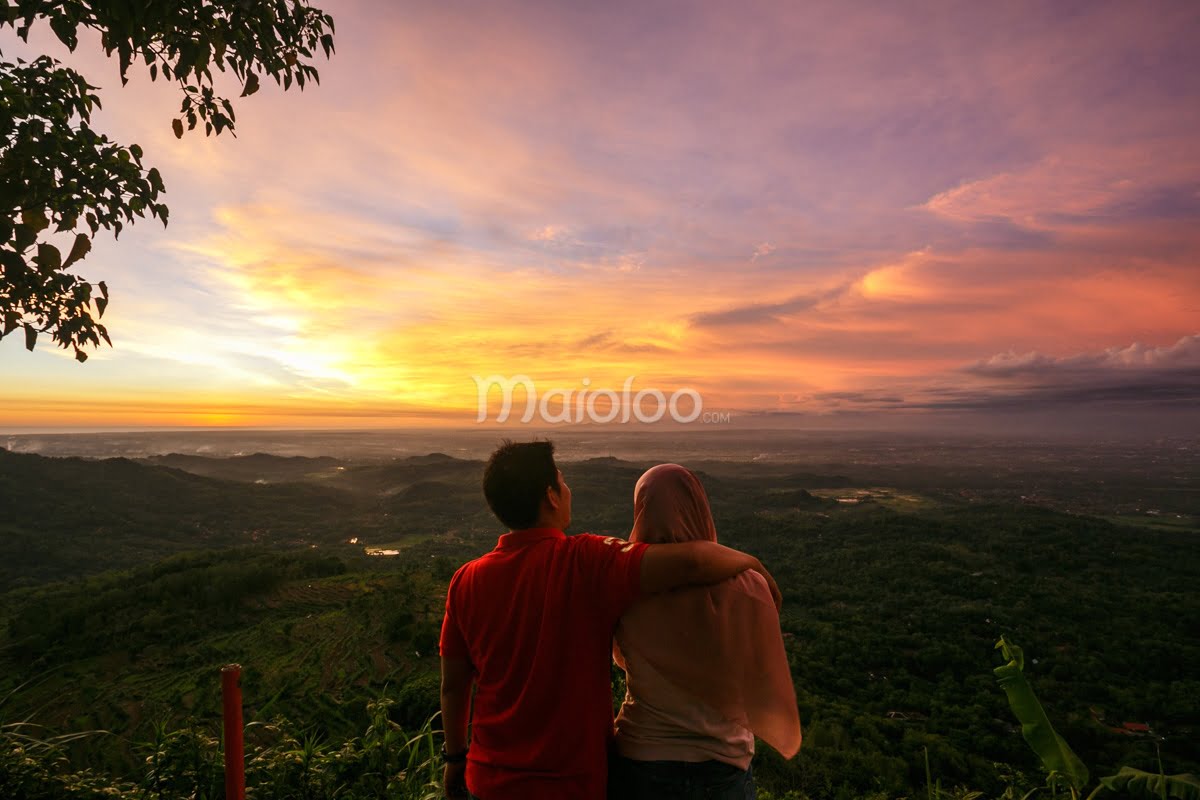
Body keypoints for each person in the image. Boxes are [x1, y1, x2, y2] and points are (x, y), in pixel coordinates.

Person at [439, 440, 782, 800]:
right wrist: (752, 564)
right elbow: (691, 562)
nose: (568, 489)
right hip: (571, 784)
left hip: (489, 780)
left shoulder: (465, 580)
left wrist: (454, 758)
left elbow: (453, 685)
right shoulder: (586, 561)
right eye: (563, 481)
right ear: (551, 497)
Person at [609, 463, 802, 800]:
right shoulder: (750, 588)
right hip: (723, 764)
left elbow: (620, 659)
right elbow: (758, 673)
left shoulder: (623, 592)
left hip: (640, 758)